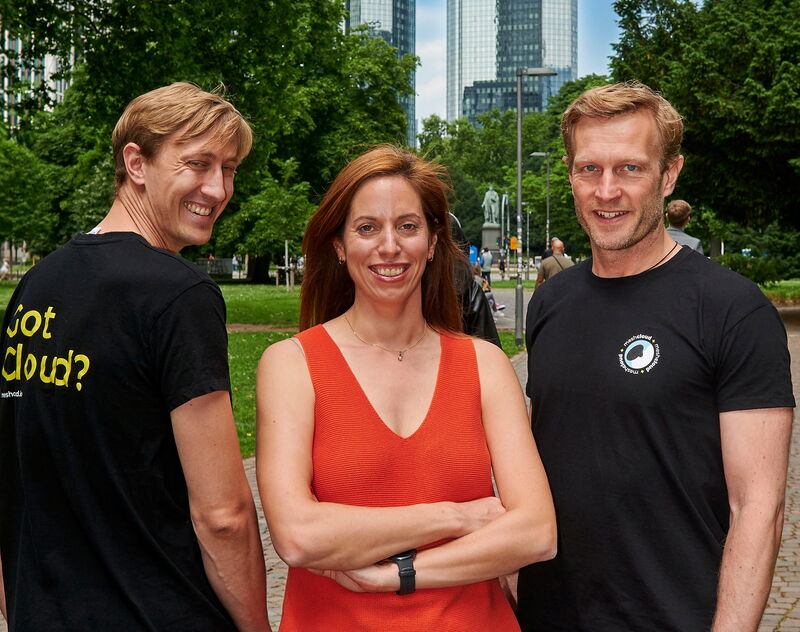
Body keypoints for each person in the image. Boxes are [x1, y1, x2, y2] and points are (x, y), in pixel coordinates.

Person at [519, 82, 794, 631]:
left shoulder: (731, 309)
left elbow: (758, 509)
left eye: (630, 169)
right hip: (549, 616)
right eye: (589, 169)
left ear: (669, 175)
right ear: (571, 175)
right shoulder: (550, 301)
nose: (606, 190)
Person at [0, 83, 269, 631]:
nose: (218, 188)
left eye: (230, 168)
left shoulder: (36, 286)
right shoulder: (178, 295)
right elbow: (223, 515)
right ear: (136, 163)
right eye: (198, 164)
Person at [256, 144, 556, 631]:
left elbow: (537, 532)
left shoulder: (485, 365)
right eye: (367, 227)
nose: (389, 246)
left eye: (408, 226)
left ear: (434, 241)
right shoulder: (292, 365)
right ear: (339, 244)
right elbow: (298, 536)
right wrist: (456, 517)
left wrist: (399, 575)